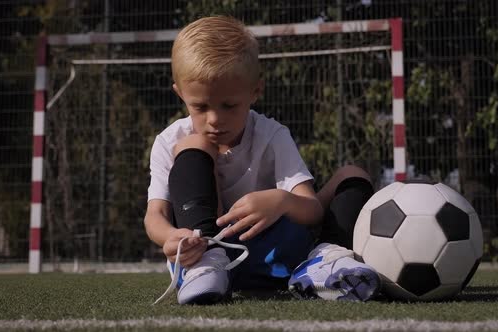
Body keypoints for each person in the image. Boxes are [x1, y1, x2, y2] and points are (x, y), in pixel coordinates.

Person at [144, 15, 380, 305]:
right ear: (180, 94)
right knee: (194, 144)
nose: (215, 119)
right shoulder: (170, 141)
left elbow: (313, 209)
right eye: (200, 106)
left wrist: (280, 201)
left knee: (353, 175)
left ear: (256, 91)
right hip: (205, 253)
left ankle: (324, 261)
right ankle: (204, 266)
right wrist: (171, 237)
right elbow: (154, 215)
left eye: (229, 105)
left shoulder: (272, 135)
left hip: (278, 255)